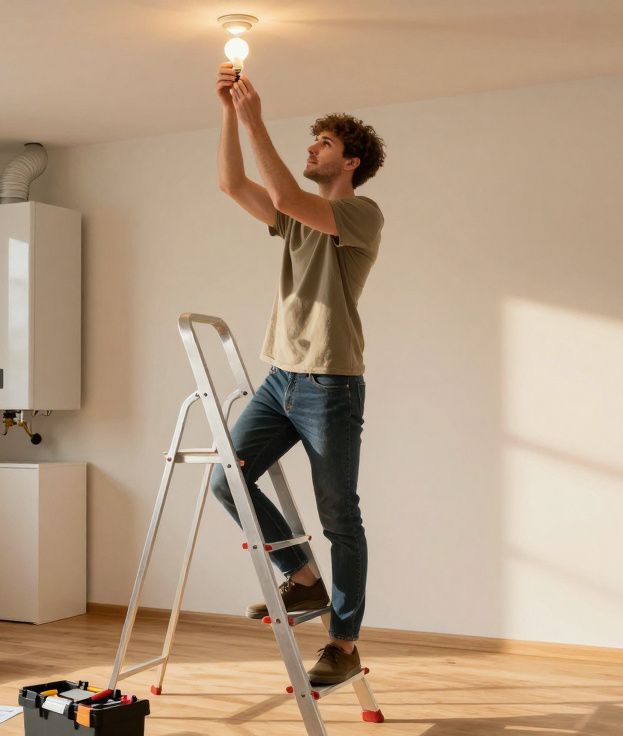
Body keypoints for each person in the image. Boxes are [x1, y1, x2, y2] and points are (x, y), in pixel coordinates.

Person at [211, 61, 386, 687]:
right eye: (313, 141)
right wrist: (233, 115)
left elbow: (286, 196)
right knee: (227, 481)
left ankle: (343, 642)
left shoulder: (362, 215)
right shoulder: (294, 221)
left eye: (325, 145)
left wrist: (257, 116)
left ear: (350, 164)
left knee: (341, 515)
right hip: (281, 379)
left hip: (331, 385)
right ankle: (305, 581)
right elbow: (233, 184)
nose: (312, 148)